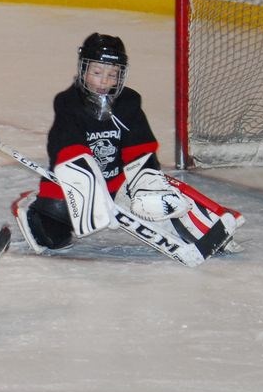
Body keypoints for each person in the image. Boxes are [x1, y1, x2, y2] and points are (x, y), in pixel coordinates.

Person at [13, 32, 237, 256]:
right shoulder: (69, 103)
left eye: (113, 74)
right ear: (83, 70)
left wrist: (146, 184)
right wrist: (91, 189)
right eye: (97, 72)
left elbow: (139, 149)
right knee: (52, 233)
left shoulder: (128, 103)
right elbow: (68, 147)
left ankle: (206, 230)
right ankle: (39, 214)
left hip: (119, 184)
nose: (104, 81)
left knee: (161, 204)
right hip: (74, 185)